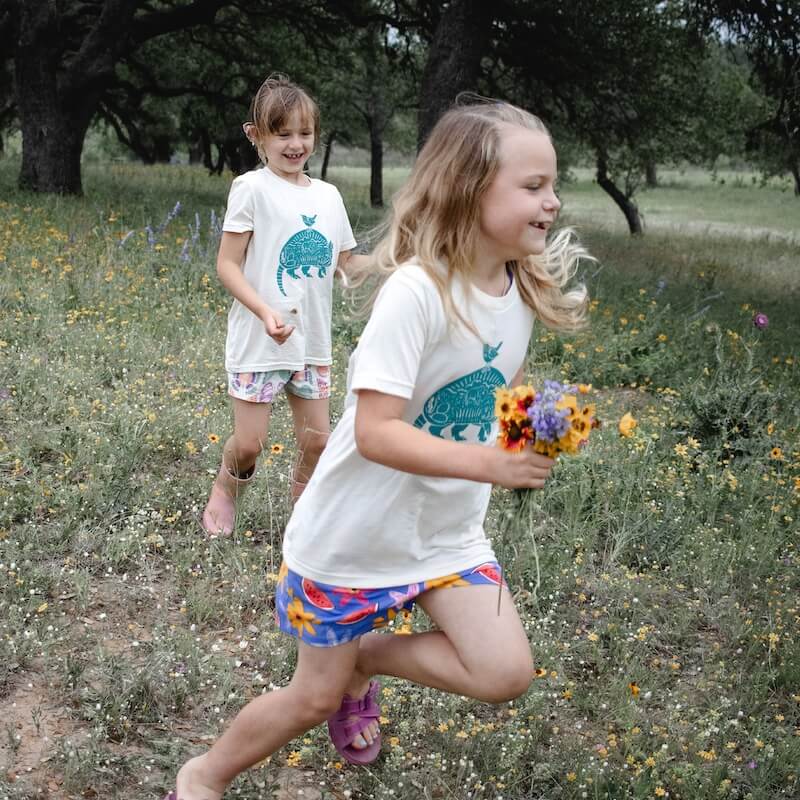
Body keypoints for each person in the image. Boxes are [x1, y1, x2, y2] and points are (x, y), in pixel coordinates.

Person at [167, 97, 590, 800]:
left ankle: (368, 655)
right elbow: (374, 432)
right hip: (350, 540)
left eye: (552, 184)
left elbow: (497, 392)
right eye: (533, 185)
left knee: (505, 672)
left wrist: (531, 428)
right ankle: (202, 775)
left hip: (446, 537)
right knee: (312, 699)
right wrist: (492, 462)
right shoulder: (418, 294)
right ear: (468, 187)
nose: (552, 201)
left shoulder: (519, 285)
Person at [202, 74, 367, 535]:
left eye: (305, 133)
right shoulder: (251, 189)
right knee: (250, 444)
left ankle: (303, 513)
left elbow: (345, 264)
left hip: (311, 342)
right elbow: (227, 266)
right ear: (256, 135)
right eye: (283, 133)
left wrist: (399, 262)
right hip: (261, 339)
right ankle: (226, 488)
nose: (296, 145)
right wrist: (264, 311)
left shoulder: (329, 197)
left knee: (317, 441)